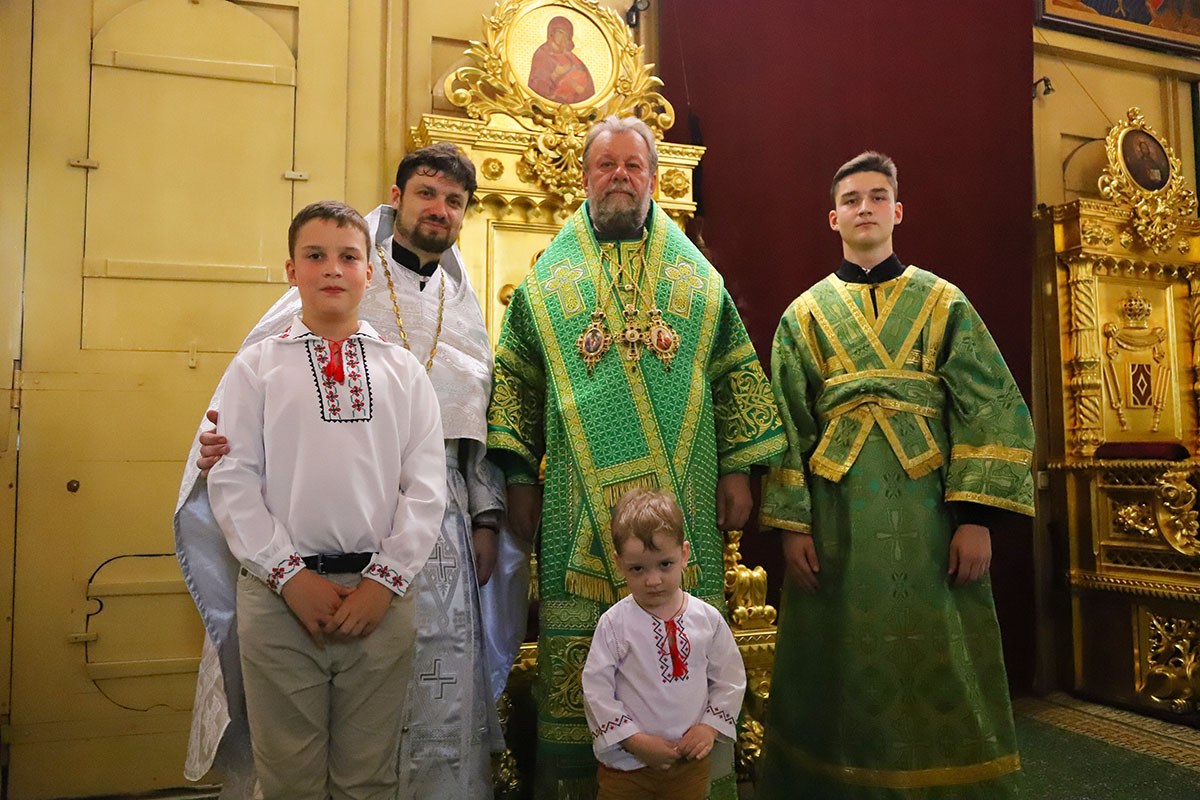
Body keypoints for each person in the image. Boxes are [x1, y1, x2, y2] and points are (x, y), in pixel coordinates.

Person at [175, 144, 526, 799]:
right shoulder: (331, 289)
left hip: (431, 528)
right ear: (396, 200)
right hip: (298, 550)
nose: (439, 209)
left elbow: (477, 419)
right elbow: (244, 430)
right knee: (297, 760)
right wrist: (221, 451)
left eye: (453, 201)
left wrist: (485, 515)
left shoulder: (461, 300)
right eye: (427, 194)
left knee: (420, 699)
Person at [487, 114, 786, 800]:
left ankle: (693, 773)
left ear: (653, 178)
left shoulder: (698, 279)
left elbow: (733, 373)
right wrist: (519, 478)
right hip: (575, 504)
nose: (620, 176)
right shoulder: (546, 283)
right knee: (582, 661)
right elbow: (516, 382)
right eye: (606, 165)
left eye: (633, 165)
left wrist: (738, 469)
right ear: (585, 178)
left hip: (686, 493)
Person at [757, 151, 1035, 799]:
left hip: (931, 515)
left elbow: (991, 409)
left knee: (936, 647)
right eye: (851, 199)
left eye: (877, 196)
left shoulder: (944, 303)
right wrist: (792, 528)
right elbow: (786, 426)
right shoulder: (803, 315)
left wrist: (976, 519)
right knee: (841, 654)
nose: (865, 208)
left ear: (898, 211)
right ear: (833, 218)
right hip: (836, 516)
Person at [207, 200, 447, 799]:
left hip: (379, 599)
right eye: (315, 256)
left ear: (370, 272)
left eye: (348, 257)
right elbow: (233, 478)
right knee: (289, 776)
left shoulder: (403, 371)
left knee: (369, 776)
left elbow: (426, 489)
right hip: (280, 599)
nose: (333, 269)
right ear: (292, 270)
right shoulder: (256, 368)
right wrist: (288, 576)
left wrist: (384, 581)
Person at [582, 488, 745, 800]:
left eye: (665, 564)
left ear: (684, 554)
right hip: (627, 769)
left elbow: (730, 678)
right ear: (619, 563)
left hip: (689, 765)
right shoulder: (614, 624)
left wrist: (708, 728)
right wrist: (634, 741)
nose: (653, 580)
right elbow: (596, 690)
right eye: (638, 569)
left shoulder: (706, 619)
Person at [527, 15, 595, 104]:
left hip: (572, 104)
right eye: (559, 32)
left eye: (565, 34)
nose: (562, 37)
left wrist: (580, 88)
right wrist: (555, 74)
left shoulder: (570, 56)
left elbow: (588, 90)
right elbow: (536, 83)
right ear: (552, 33)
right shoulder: (542, 54)